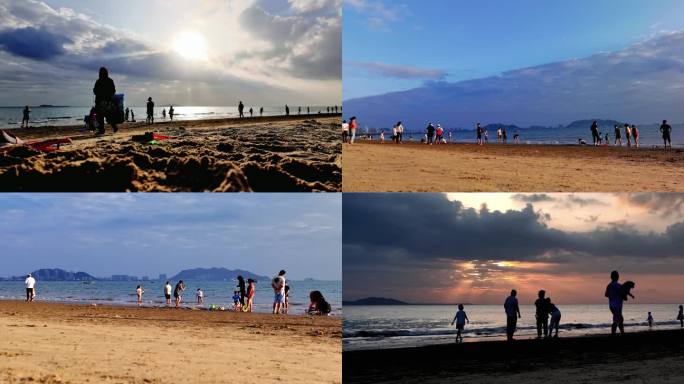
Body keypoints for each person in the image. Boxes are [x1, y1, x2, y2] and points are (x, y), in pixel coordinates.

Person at [93, 67, 118, 134]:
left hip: (100, 101)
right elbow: (113, 91)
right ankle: (114, 127)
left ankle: (102, 130)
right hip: (108, 101)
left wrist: (99, 94)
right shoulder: (110, 80)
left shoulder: (98, 81)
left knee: (100, 116)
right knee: (108, 115)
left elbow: (95, 91)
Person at [605, 270, 625, 335]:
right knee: (617, 320)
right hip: (618, 306)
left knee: (620, 319)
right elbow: (624, 297)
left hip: (611, 305)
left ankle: (622, 333)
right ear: (617, 277)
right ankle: (614, 334)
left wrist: (612, 295)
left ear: (611, 277)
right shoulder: (619, 286)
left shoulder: (609, 285)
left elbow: (606, 294)